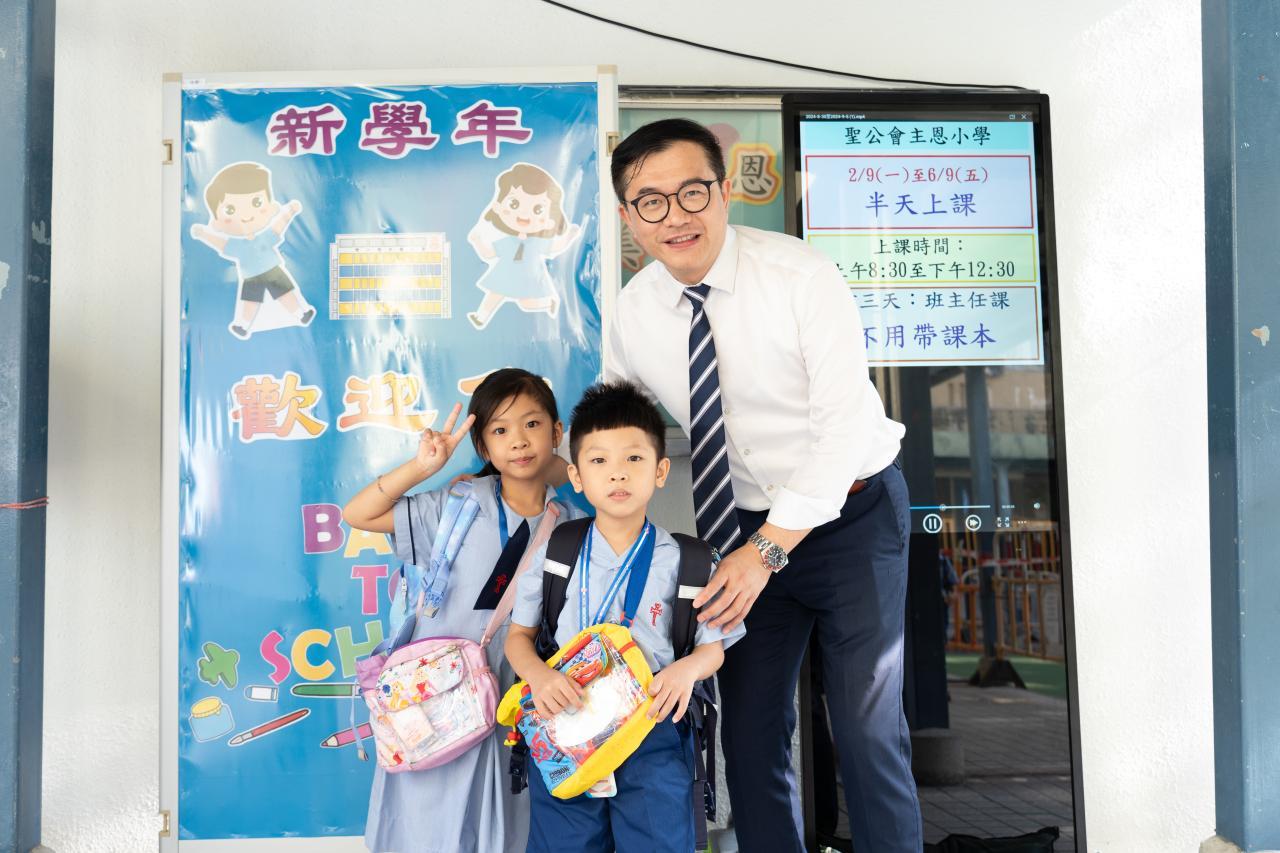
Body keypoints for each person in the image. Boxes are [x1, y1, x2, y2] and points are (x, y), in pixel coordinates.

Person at [604, 118, 921, 853]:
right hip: (741, 528)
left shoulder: (800, 276)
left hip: (853, 517)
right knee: (746, 736)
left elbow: (842, 431)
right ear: (628, 217)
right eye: (651, 201)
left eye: (692, 192)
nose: (675, 216)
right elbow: (617, 429)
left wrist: (768, 550)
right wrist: (532, 470)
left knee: (866, 730)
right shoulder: (635, 310)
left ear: (723, 192)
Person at [342, 368, 587, 853]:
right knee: (423, 828)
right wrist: (422, 468)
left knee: (508, 828)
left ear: (557, 432)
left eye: (533, 424)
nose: (519, 441)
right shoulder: (456, 505)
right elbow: (358, 514)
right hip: (435, 701)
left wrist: (566, 467)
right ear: (483, 445)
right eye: (500, 430)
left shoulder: (574, 528)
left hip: (515, 705)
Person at [505, 381, 744, 853]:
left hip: (653, 726)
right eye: (599, 461)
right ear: (576, 476)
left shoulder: (691, 561)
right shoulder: (556, 553)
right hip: (566, 726)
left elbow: (713, 648)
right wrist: (539, 677)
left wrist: (686, 670)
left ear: (660, 470)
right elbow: (518, 638)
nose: (617, 473)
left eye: (633, 458)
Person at [189, 161, 315, 339]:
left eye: (257, 202)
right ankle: (243, 325)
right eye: (230, 209)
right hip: (252, 276)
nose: (246, 215)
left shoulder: (265, 237)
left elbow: (278, 226)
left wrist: (289, 212)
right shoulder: (236, 245)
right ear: (217, 222)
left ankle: (301, 314)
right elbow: (220, 243)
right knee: (250, 302)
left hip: (272, 271)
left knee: (285, 294)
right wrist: (204, 234)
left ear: (271, 207)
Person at [466, 162, 583, 329]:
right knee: (494, 294)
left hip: (528, 277)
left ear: (550, 220)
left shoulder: (537, 242)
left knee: (526, 303)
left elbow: (555, 247)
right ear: (498, 207)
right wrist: (477, 241)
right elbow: (488, 253)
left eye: (538, 209)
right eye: (514, 204)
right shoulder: (507, 241)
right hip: (505, 274)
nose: (524, 214)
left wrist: (569, 236)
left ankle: (548, 302)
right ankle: (480, 317)